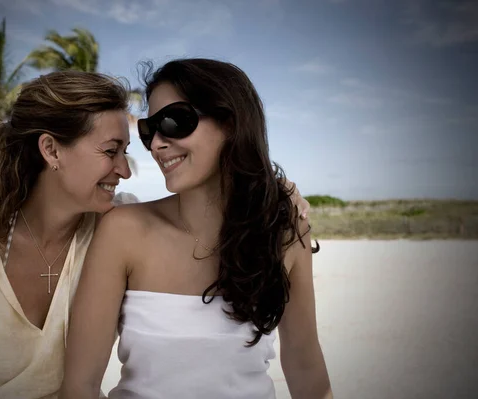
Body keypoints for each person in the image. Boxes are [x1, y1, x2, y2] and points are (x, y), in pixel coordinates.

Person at [0, 69, 311, 399]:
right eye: (111, 151)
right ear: (51, 150)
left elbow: (219, 207)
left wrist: (284, 196)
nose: (125, 169)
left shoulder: (120, 226)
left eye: (127, 150)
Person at [61, 58, 332, 399]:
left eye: (174, 121)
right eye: (149, 130)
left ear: (231, 123)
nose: (157, 144)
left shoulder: (286, 233)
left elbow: (306, 368)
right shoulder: (124, 231)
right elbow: (79, 387)